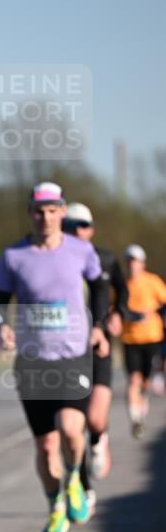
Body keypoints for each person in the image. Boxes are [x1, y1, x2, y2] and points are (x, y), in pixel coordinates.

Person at [0, 182, 109, 532]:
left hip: (73, 356)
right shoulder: (14, 255)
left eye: (53, 211)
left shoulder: (81, 250)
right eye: (39, 212)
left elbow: (100, 287)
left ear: (62, 211)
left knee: (73, 431)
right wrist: (2, 326)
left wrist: (100, 326)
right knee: (45, 446)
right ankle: (55, 506)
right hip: (32, 361)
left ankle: (73, 478)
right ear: (31, 213)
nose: (46, 218)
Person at [62, 202, 128, 507]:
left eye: (83, 226)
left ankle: (100, 439)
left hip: (98, 347)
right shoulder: (55, 260)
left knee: (95, 419)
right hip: (65, 351)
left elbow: (120, 290)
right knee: (70, 428)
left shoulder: (105, 258)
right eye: (71, 226)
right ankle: (83, 487)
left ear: (91, 229)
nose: (77, 231)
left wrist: (117, 315)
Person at [121, 245, 166, 437]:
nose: (133, 264)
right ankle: (136, 419)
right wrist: (126, 315)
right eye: (130, 261)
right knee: (133, 379)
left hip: (151, 337)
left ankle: (142, 405)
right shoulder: (122, 284)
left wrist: (154, 312)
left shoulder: (152, 281)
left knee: (145, 382)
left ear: (142, 262)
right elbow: (114, 308)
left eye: (136, 261)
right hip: (130, 339)